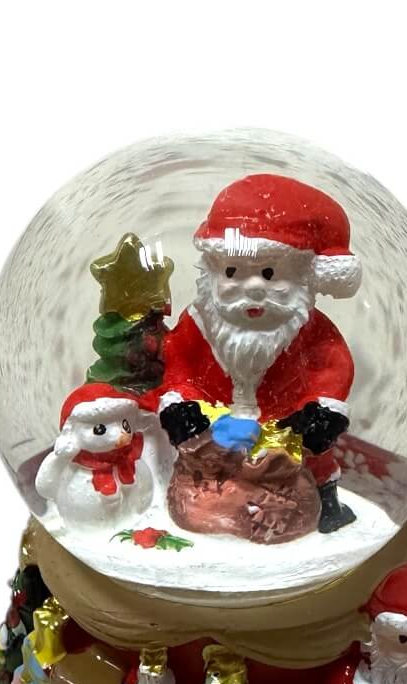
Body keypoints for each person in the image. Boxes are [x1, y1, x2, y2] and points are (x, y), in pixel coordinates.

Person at [151, 174, 362, 533]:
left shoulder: (306, 328)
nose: (252, 288)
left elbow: (332, 367)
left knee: (316, 458)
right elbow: (179, 364)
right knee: (207, 463)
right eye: (233, 272)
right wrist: (182, 404)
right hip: (216, 424)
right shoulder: (199, 323)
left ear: (302, 277)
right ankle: (214, 503)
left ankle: (327, 501)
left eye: (268, 273)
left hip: (285, 424)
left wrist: (319, 411)